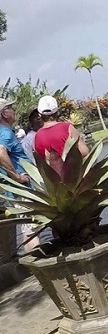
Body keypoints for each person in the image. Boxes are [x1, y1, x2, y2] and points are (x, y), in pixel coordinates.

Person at [0, 98, 37, 252]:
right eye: (10, 107)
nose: (14, 110)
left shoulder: (5, 131)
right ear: (3, 113)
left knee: (27, 228)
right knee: (32, 229)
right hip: (21, 188)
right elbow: (1, 153)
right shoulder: (5, 133)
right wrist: (17, 177)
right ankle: (39, 263)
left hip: (16, 189)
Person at [33, 95, 89, 179]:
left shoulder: (36, 137)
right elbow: (84, 152)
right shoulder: (67, 128)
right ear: (57, 112)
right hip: (75, 179)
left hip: (54, 186)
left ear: (39, 115)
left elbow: (40, 164)